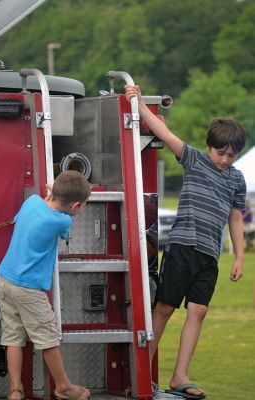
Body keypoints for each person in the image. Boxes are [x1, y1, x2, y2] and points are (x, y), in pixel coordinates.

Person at [125, 85, 246, 399]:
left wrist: (239, 256)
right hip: (181, 247)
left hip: (209, 254)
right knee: (164, 308)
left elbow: (235, 217)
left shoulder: (236, 178)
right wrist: (136, 101)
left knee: (199, 311)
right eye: (220, 153)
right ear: (209, 147)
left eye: (232, 155)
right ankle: (138, 373)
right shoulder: (193, 159)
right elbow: (163, 132)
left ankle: (180, 376)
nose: (225, 159)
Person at [0, 171, 91, 400]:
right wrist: (65, 200)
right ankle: (64, 387)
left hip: (5, 280)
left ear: (53, 190)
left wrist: (56, 189)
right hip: (29, 289)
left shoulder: (32, 202)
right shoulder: (62, 220)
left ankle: (15, 389)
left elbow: (44, 203)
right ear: (75, 205)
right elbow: (65, 220)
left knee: (12, 338)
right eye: (82, 206)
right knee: (47, 338)